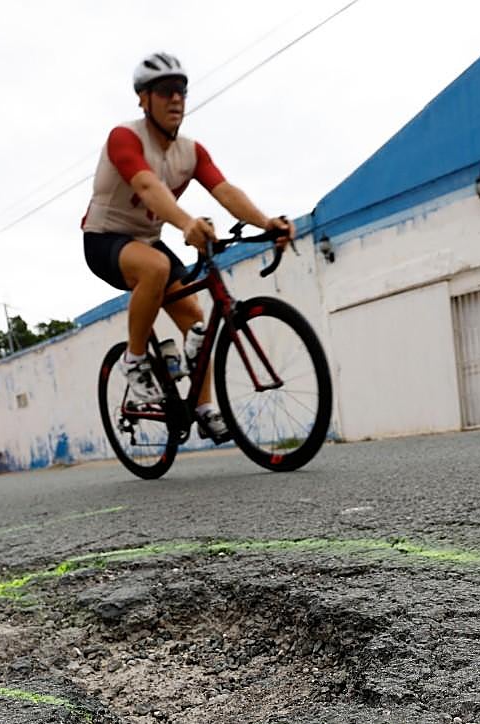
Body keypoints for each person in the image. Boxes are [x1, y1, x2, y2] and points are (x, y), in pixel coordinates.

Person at [81, 51, 295, 441]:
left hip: (146, 242)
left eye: (181, 90)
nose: (175, 98)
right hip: (104, 239)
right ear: (144, 99)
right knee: (155, 268)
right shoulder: (125, 137)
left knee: (196, 319)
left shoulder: (190, 152)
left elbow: (225, 190)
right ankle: (135, 359)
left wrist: (267, 223)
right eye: (164, 91)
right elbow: (147, 186)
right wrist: (186, 223)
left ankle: (203, 408)